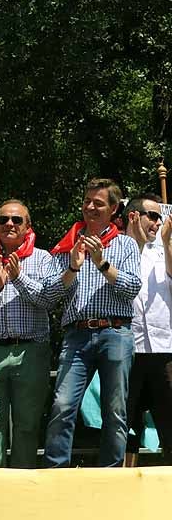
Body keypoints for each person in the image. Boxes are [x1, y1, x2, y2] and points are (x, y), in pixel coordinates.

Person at [43, 178, 141, 467]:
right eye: (87, 201)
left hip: (116, 331)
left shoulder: (125, 244)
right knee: (62, 405)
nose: (90, 207)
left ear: (113, 209)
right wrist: (73, 266)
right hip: (76, 334)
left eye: (98, 203)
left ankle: (110, 474)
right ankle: (56, 472)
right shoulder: (68, 244)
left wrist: (101, 263)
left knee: (115, 410)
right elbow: (49, 294)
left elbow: (131, 288)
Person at [0, 199, 53, 468]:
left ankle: (23, 485)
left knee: (27, 423)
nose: (9, 224)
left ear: (28, 227)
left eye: (17, 220)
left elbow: (49, 299)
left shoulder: (43, 258)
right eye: (3, 220)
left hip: (31, 350)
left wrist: (18, 278)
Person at [121, 195, 172, 465]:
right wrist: (138, 243)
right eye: (151, 216)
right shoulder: (117, 247)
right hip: (129, 344)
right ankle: (124, 478)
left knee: (169, 416)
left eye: (159, 217)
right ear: (133, 216)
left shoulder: (167, 248)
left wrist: (166, 242)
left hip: (165, 346)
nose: (156, 222)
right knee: (127, 419)